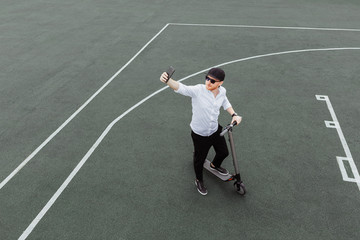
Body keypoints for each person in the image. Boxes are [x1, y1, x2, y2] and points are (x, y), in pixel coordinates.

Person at [159, 67, 242, 195]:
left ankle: (214, 165)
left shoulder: (222, 91)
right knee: (199, 160)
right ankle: (199, 180)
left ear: (220, 83)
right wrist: (168, 81)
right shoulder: (198, 90)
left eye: (212, 81)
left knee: (223, 152)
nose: (208, 82)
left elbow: (225, 102)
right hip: (200, 134)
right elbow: (181, 87)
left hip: (215, 129)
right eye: (207, 78)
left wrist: (234, 114)